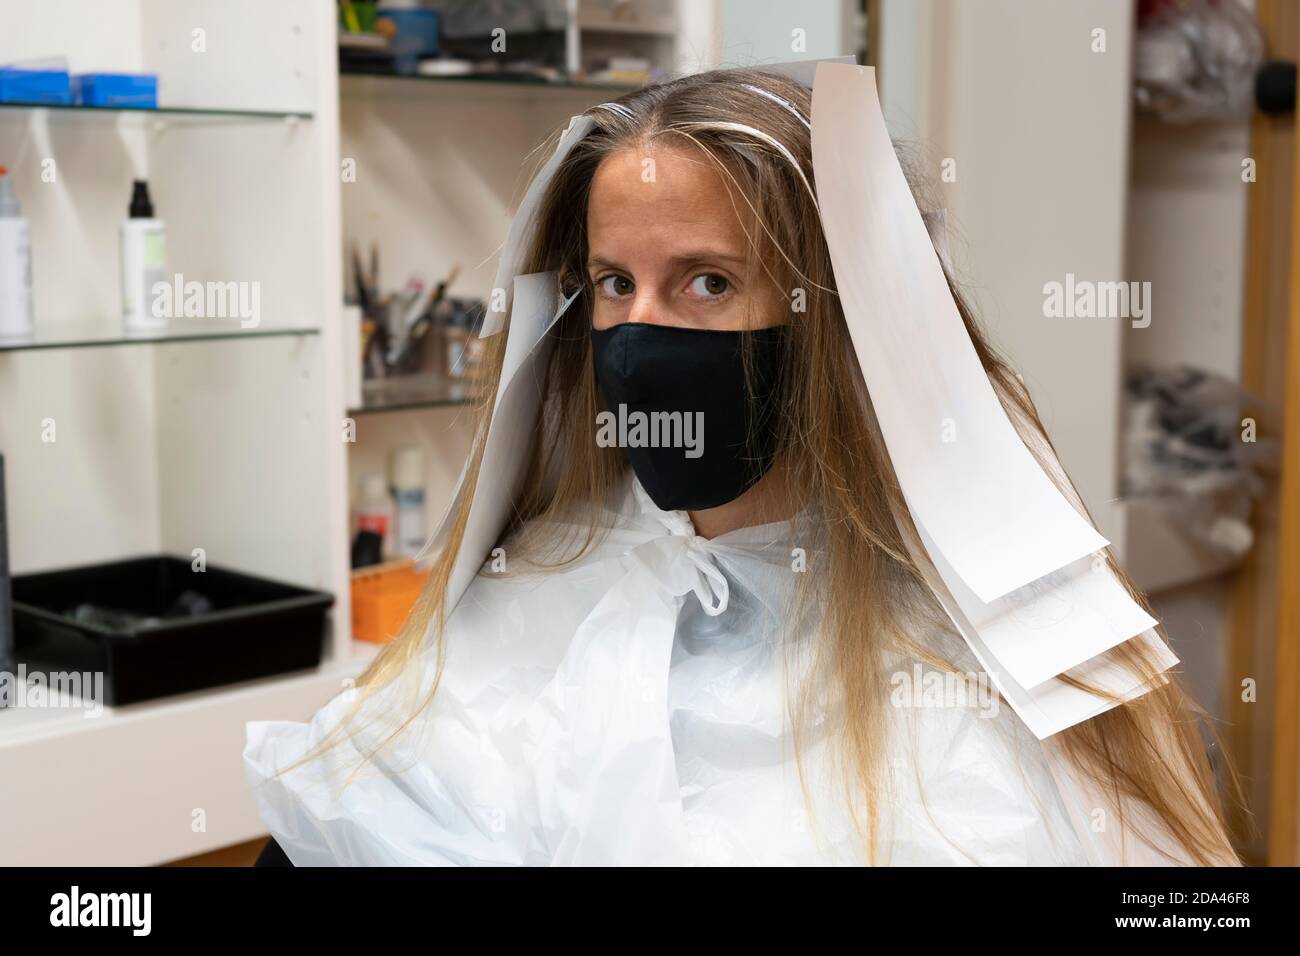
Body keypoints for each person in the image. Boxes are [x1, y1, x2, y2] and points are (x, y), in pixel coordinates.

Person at [243, 63, 1243, 866]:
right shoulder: (549, 589)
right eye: (613, 282)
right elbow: (345, 813)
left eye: (707, 281)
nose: (639, 331)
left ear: (833, 320)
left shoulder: (977, 660)